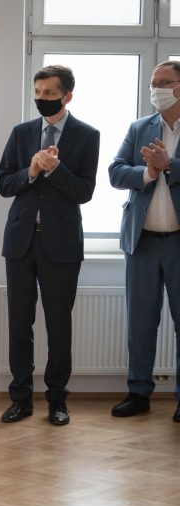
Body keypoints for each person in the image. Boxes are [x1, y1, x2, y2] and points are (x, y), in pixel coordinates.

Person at [0, 65, 99, 426]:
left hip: (62, 244)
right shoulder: (22, 132)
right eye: (38, 93)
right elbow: (4, 184)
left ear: (67, 96)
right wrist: (32, 170)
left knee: (58, 325)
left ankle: (58, 401)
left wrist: (55, 168)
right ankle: (20, 399)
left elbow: (84, 192)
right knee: (19, 324)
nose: (42, 99)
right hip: (20, 242)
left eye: (49, 94)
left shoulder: (87, 135)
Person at [109, 60, 180, 422]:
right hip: (142, 242)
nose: (156, 89)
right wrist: (149, 172)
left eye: (164, 82)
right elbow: (116, 172)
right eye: (154, 83)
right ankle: (138, 393)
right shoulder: (140, 127)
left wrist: (170, 165)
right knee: (140, 322)